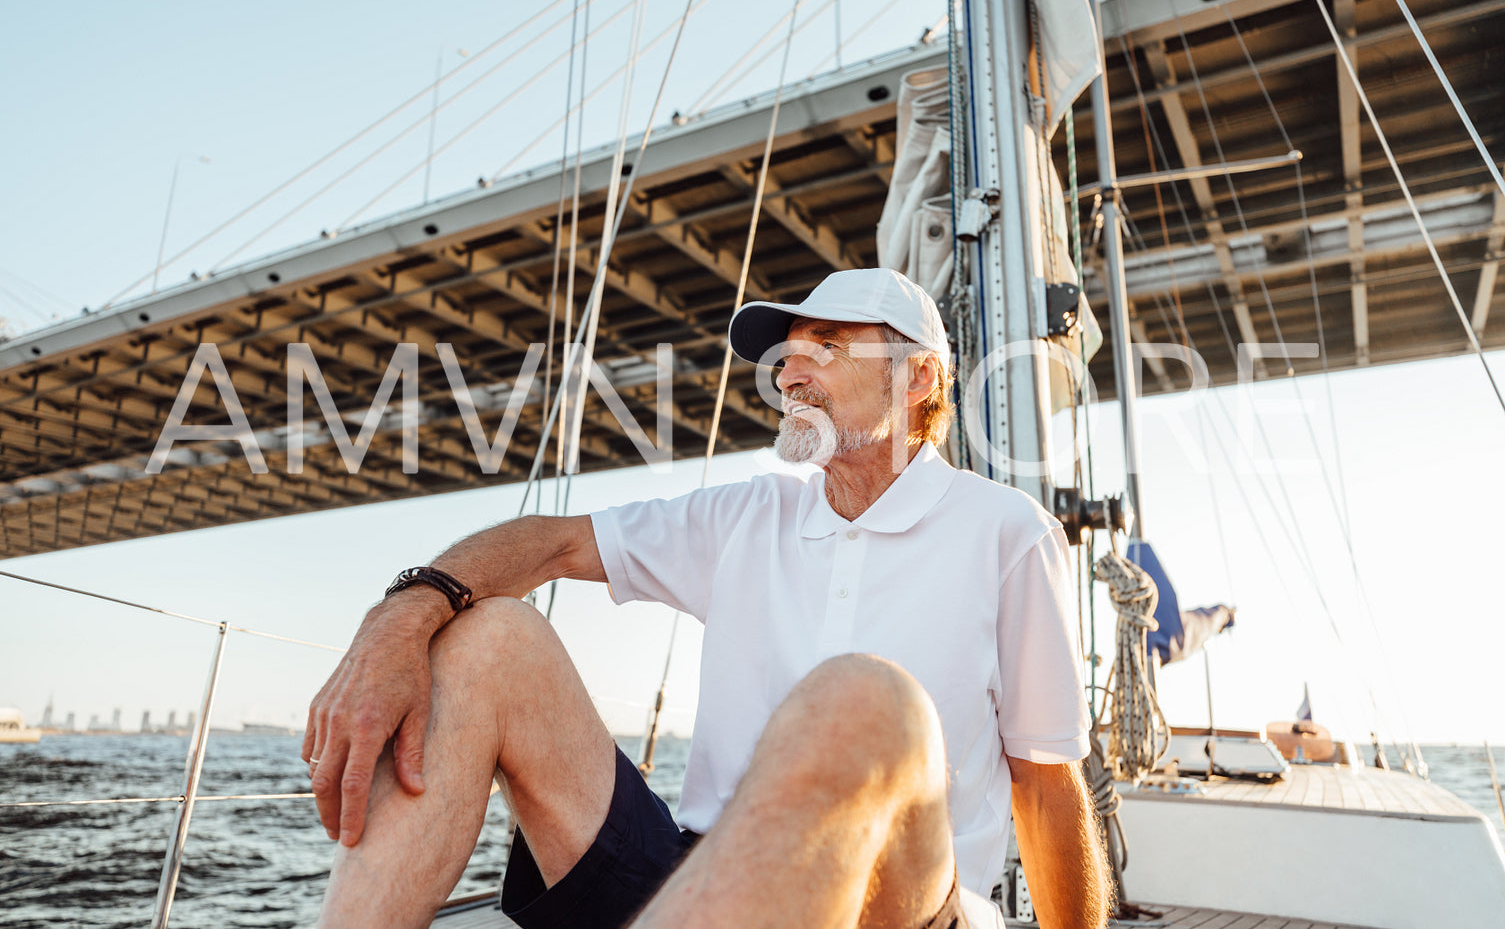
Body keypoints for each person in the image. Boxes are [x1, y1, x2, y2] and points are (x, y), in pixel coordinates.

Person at [305, 267, 1111, 929]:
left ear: (919, 376)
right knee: (491, 638)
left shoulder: (1005, 533)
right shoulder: (745, 515)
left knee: (863, 698)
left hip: (890, 906)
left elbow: (1046, 785)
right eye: (788, 357)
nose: (790, 373)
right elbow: (551, 541)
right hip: (688, 876)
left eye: (825, 347)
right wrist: (399, 621)